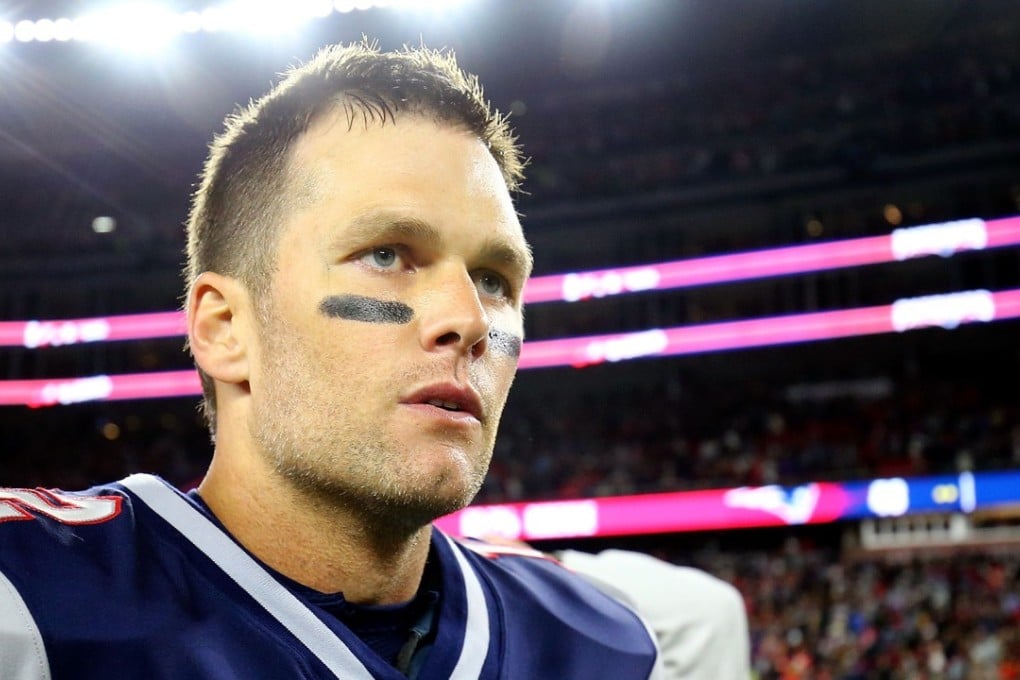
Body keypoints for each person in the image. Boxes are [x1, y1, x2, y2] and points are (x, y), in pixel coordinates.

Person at [0, 41, 662, 679]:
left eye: (493, 279)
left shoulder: (606, 645)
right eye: (387, 255)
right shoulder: (26, 599)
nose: (468, 320)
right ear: (227, 327)